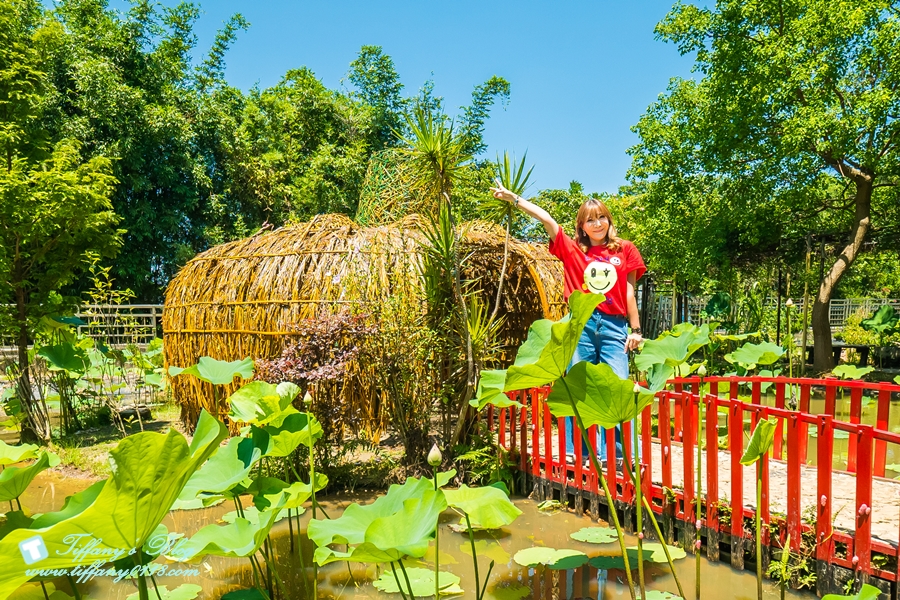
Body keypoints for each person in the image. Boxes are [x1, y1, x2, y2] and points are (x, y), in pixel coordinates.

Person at [489, 183, 646, 463]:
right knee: (578, 387)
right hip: (580, 326)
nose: (597, 223)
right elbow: (547, 219)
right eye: (590, 220)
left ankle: (619, 455)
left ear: (609, 220)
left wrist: (635, 330)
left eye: (601, 217)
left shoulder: (625, 249)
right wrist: (515, 199)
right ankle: (580, 452)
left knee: (619, 387)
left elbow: (629, 292)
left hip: (614, 325)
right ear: (582, 226)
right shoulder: (573, 250)